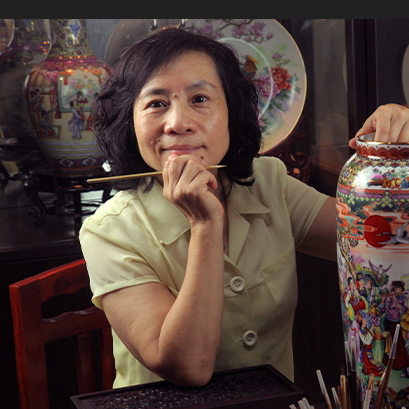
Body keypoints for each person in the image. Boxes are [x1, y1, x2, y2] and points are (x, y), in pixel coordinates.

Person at [79, 27, 409, 389]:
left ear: (233, 113)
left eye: (200, 98)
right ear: (130, 122)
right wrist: (204, 225)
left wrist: (397, 147)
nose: (178, 124)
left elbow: (386, 239)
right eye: (156, 104)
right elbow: (187, 366)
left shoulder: (268, 182)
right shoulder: (108, 231)